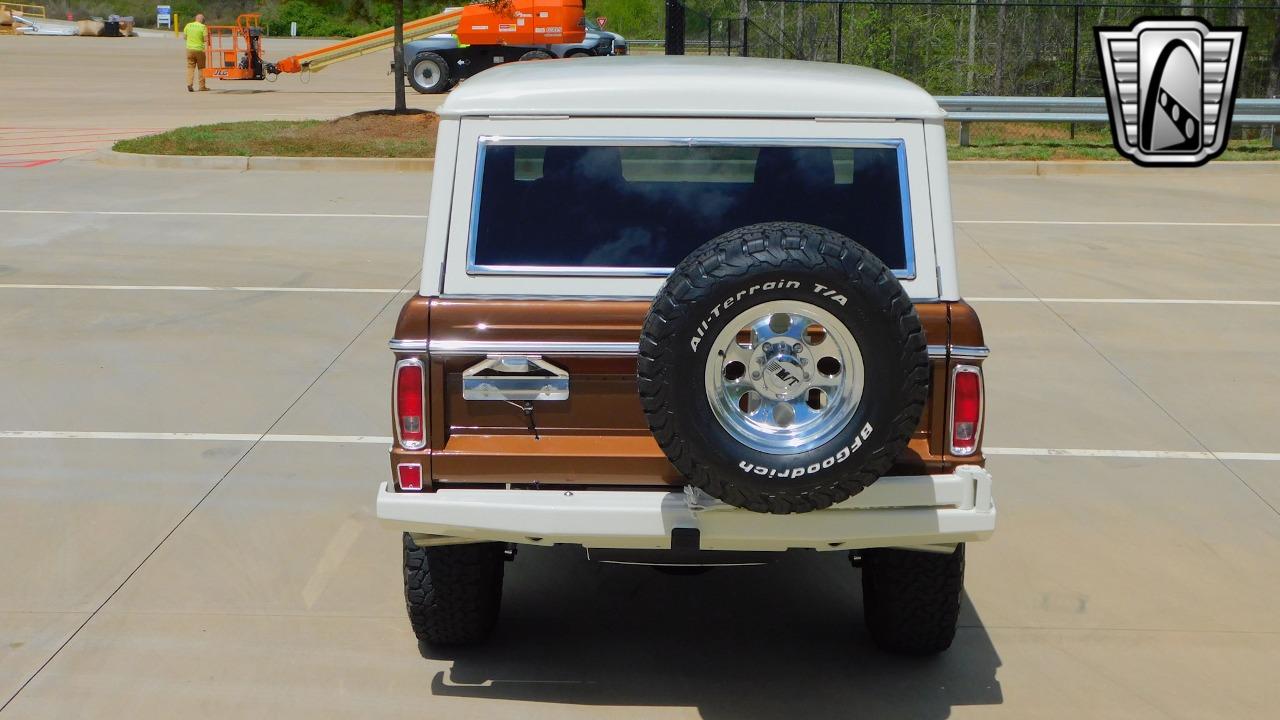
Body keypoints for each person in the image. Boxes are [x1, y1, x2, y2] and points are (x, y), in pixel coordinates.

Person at [183, 13, 208, 92]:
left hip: (189, 49)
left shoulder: (188, 25)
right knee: (201, 68)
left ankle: (189, 84)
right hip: (199, 50)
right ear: (202, 20)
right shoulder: (203, 27)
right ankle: (202, 86)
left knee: (190, 67)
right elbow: (205, 39)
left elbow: (185, 37)